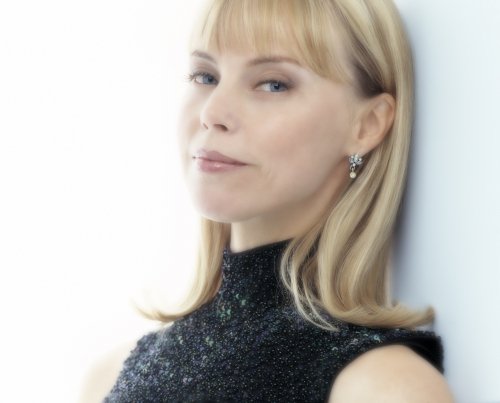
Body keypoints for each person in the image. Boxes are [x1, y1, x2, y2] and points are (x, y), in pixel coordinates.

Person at [98, 0, 454, 401]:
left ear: (367, 125)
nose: (213, 112)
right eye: (205, 76)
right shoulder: (107, 377)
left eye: (273, 84)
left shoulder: (382, 386)